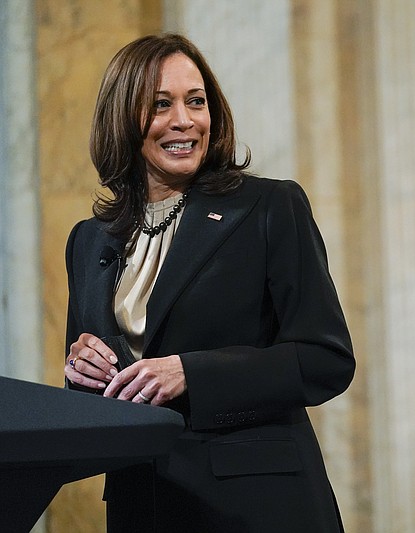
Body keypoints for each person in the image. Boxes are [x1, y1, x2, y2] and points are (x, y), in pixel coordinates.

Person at [63, 33, 355, 532]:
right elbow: (94, 388)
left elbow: (325, 360)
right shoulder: (89, 240)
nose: (184, 121)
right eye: (160, 105)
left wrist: (191, 374)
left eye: (196, 102)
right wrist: (80, 372)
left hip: (256, 504)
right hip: (144, 503)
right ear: (120, 119)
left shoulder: (268, 208)